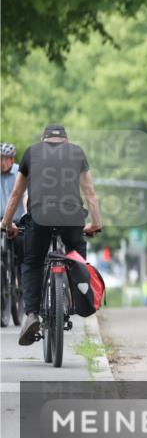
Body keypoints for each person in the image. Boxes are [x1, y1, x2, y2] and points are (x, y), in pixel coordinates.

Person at [0, 125, 102, 345]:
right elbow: (89, 192)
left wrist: (7, 224)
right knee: (76, 256)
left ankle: (32, 314)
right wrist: (96, 223)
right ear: (66, 140)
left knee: (32, 262)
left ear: (43, 140)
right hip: (72, 217)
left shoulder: (31, 152)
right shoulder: (77, 152)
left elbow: (17, 193)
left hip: (39, 217)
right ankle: (77, 298)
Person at [1, 143, 26, 323]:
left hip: (17, 220)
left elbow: (25, 195)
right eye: (0, 159)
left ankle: (21, 282)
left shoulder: (19, 172)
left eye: (5, 159)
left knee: (21, 252)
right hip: (0, 221)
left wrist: (25, 215)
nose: (2, 162)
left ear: (12, 160)